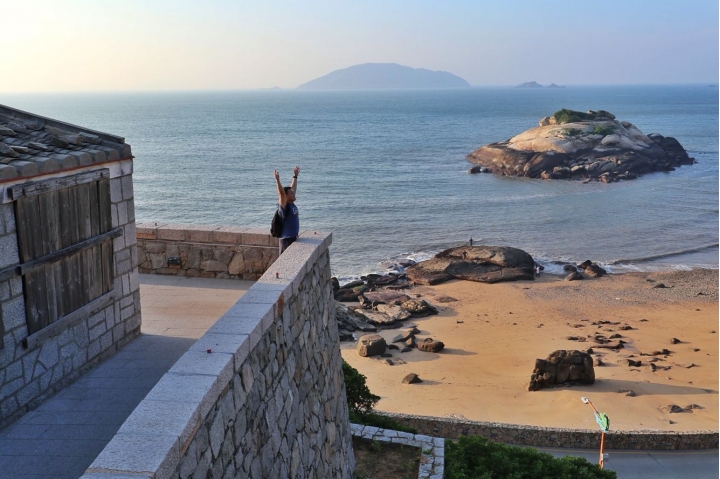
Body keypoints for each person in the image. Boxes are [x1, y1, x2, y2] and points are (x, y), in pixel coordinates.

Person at [274, 166, 300, 254]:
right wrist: (277, 180)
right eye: (291, 193)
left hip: (293, 238)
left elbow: (292, 188)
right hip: (286, 240)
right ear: (286, 196)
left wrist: (295, 176)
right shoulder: (284, 206)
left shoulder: (292, 204)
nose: (294, 194)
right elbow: (281, 194)